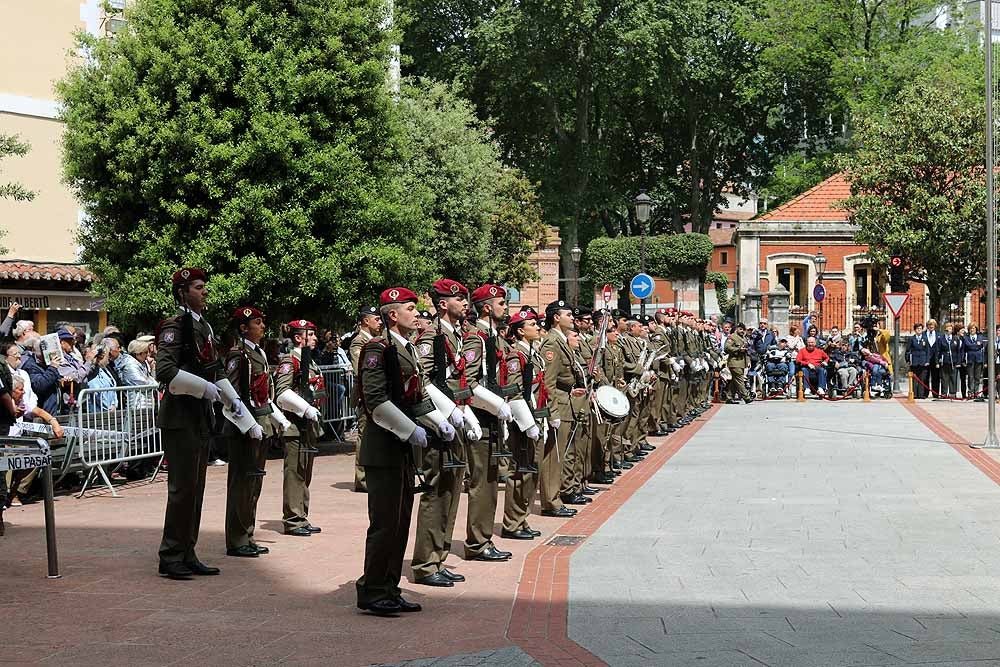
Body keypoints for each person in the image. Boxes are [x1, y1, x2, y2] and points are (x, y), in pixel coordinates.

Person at [355, 287, 454, 616]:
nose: (417, 313)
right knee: (384, 523)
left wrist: (440, 422)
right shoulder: (376, 348)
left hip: (400, 449)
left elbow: (417, 396)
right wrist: (412, 430)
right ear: (393, 315)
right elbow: (376, 400)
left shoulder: (406, 349)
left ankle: (389, 586)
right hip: (383, 448)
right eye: (411, 308)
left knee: (399, 522)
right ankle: (372, 589)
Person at [155, 267, 245, 580]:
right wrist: (206, 389)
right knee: (182, 489)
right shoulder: (175, 324)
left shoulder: (202, 325)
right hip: (180, 416)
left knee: (196, 489)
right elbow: (165, 370)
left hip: (199, 417)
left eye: (204, 286)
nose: (204, 291)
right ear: (182, 292)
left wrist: (233, 401)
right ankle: (170, 555)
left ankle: (187, 550)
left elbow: (215, 368)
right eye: (198, 287)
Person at [411, 279, 474, 587]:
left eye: (464, 297)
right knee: (435, 493)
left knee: (451, 490)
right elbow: (421, 381)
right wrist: (444, 416)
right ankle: (425, 563)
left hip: (456, 421)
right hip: (438, 425)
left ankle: (439, 556)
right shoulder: (431, 337)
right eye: (457, 298)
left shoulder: (455, 336)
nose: (464, 302)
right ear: (441, 304)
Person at [224, 307, 289, 558]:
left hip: (260, 424)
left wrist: (275, 418)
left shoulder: (257, 352)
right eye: (257, 322)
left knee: (253, 483)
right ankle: (237, 539)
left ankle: (247, 534)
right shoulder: (238, 354)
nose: (262, 326)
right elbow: (231, 395)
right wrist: (247, 424)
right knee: (241, 484)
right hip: (243, 427)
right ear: (243, 328)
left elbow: (263, 393)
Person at [463, 285, 516, 562]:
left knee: (492, 482)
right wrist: (497, 406)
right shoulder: (477, 339)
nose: (505, 307)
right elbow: (469, 383)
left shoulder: (492, 337)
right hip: (482, 418)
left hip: (493, 418)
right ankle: (477, 542)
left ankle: (484, 538)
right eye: (501, 303)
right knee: (482, 483)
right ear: (486, 307)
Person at [274, 319, 324, 537]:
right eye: (310, 334)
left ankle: (301, 515)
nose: (314, 338)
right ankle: (293, 519)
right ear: (298, 337)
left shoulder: (309, 361)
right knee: (295, 473)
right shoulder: (290, 360)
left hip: (309, 426)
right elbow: (282, 392)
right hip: (295, 424)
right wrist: (305, 409)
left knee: (305, 473)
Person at [500, 310, 546, 540]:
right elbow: (515, 393)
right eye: (532, 324)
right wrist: (528, 424)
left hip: (535, 417)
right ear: (520, 330)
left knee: (530, 471)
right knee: (519, 472)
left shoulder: (532, 354)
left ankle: (521, 517)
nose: (537, 327)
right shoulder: (515, 356)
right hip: (522, 423)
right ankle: (512, 522)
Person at [538, 300, 582, 517]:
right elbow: (548, 382)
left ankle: (554, 498)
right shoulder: (552, 343)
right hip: (559, 406)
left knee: (560, 455)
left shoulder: (561, 341)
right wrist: (552, 412)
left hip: (567, 402)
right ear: (556, 317)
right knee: (553, 457)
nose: (572, 317)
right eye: (568, 314)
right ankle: (551, 501)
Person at [349, 306, 383, 493]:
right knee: (364, 436)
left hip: (375, 395)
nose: (379, 322)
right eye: (375, 319)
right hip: (365, 395)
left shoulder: (376, 341)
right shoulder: (358, 342)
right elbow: (360, 369)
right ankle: (362, 479)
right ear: (365, 321)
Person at [724, 323, 752, 404]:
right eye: (740, 329)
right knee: (740, 379)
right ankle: (746, 397)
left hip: (742, 362)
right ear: (737, 329)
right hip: (734, 361)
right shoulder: (732, 337)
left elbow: (746, 351)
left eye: (743, 329)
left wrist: (748, 361)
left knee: (735, 381)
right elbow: (727, 347)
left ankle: (729, 397)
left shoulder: (743, 338)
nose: (742, 331)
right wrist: (738, 349)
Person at [936, 323, 963, 398]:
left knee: (953, 377)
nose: (949, 329)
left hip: (953, 361)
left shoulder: (955, 339)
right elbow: (938, 350)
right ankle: (944, 393)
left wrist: (958, 362)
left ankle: (952, 393)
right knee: (944, 378)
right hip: (944, 360)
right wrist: (937, 361)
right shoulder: (941, 338)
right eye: (947, 328)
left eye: (950, 328)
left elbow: (958, 351)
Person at [906, 323, 931, 399]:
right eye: (917, 329)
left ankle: (921, 394)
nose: (919, 330)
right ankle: (914, 394)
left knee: (922, 378)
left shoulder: (925, 339)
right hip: (914, 361)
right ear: (915, 330)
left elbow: (927, 351)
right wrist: (908, 360)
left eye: (920, 329)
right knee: (914, 379)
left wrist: (927, 361)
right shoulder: (912, 339)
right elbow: (908, 350)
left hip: (923, 361)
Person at [964, 324, 986, 401]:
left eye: (973, 328)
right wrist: (976, 345)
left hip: (979, 359)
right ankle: (970, 392)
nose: (972, 330)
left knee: (977, 377)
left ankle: (976, 392)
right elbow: (968, 345)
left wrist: (974, 346)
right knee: (970, 377)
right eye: (970, 328)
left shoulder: (980, 337)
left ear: (976, 329)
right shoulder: (966, 337)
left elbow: (981, 345)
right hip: (970, 359)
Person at [924, 319, 941, 395]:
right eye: (929, 325)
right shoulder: (923, 334)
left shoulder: (939, 335)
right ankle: (925, 393)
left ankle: (935, 393)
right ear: (927, 326)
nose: (931, 326)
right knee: (925, 377)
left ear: (935, 326)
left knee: (936, 377)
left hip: (935, 359)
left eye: (932, 325)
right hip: (925, 359)